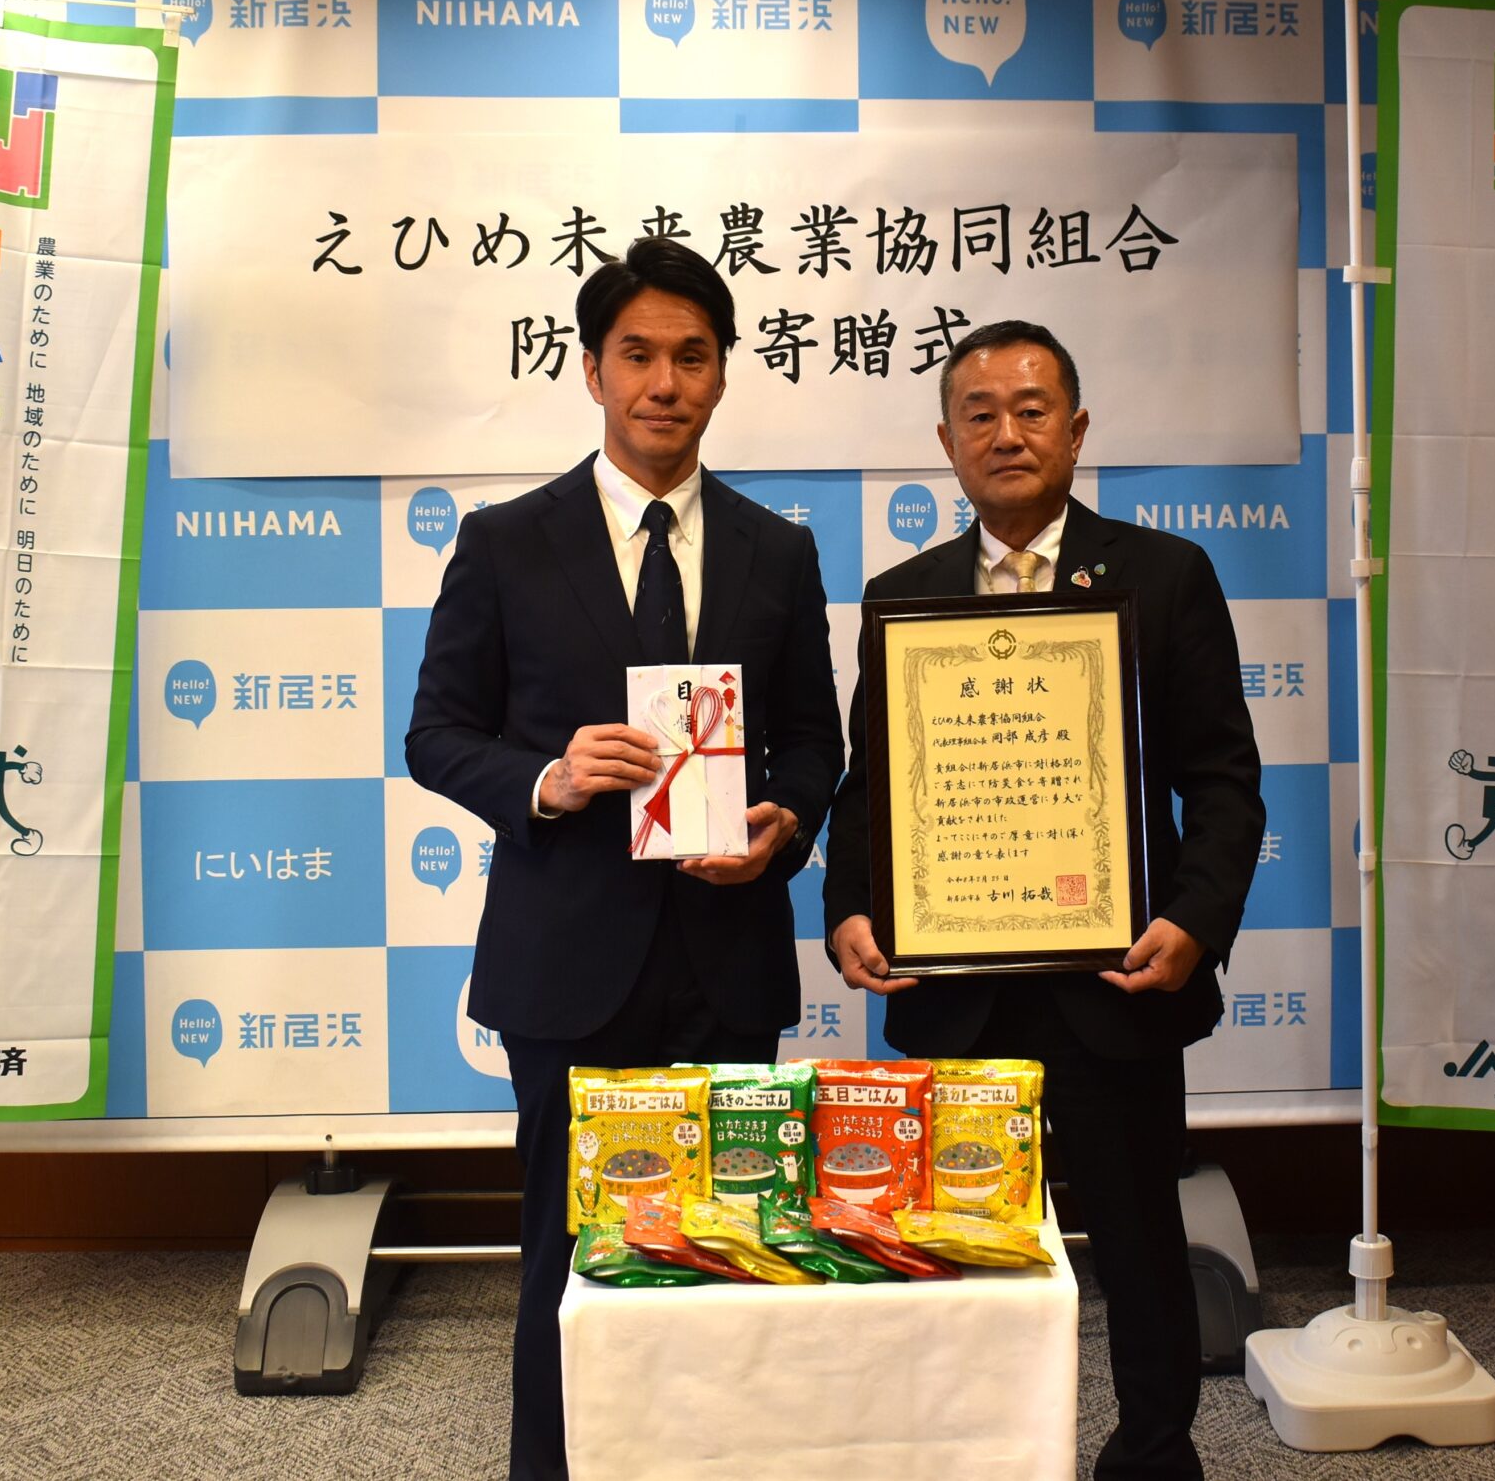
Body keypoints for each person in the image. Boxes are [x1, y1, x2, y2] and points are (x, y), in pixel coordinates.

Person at [405, 236, 844, 1481]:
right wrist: (546, 778)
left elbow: (815, 742)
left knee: (726, 1246)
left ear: (722, 374)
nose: (665, 382)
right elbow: (435, 733)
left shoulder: (775, 549)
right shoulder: (506, 541)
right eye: (638, 355)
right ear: (592, 370)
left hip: (727, 953)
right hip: (567, 963)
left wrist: (784, 823)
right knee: (570, 1259)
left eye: (691, 357)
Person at [825, 320, 1265, 1481]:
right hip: (952, 987)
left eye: (1031, 410)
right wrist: (849, 906)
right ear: (945, 441)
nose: (1006, 433)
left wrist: (1195, 920)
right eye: (979, 413)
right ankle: (967, 1455)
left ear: (1075, 430)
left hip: (1113, 982)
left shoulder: (1163, 575)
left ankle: (1154, 1454)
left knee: (1139, 1247)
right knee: (956, 1253)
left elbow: (1223, 779)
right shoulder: (901, 595)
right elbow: (871, 784)